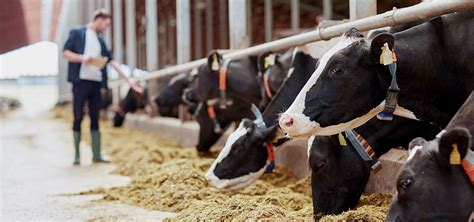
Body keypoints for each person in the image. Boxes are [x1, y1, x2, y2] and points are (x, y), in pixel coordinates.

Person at [63, 9, 143, 165]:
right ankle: (77, 156)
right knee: (78, 116)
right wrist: (83, 58)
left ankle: (97, 154)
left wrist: (130, 82)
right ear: (98, 19)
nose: (106, 28)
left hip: (96, 83)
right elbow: (65, 53)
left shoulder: (100, 40)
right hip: (80, 82)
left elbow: (112, 62)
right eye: (105, 24)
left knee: (95, 116)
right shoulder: (77, 33)